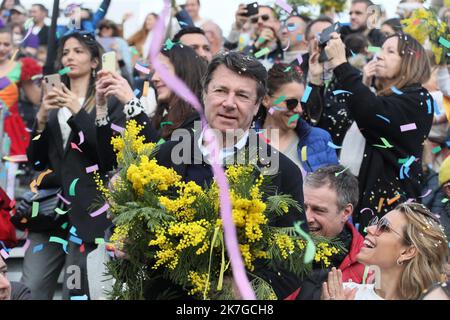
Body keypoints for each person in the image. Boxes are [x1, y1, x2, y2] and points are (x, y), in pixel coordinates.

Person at [139, 51, 308, 299]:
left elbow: (297, 258)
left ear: (258, 103)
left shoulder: (282, 172)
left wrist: (245, 290)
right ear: (204, 94)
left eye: (242, 95)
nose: (229, 103)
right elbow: (140, 237)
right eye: (221, 91)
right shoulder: (163, 158)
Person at [26, 31, 125, 300]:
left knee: (78, 291)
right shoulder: (53, 102)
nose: (70, 56)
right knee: (32, 288)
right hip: (52, 213)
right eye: (66, 51)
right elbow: (36, 160)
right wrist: (43, 118)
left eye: (78, 51)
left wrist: (77, 111)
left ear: (95, 61)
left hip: (91, 213)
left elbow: (109, 156)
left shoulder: (110, 100)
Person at [319, 32, 433, 231]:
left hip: (386, 216)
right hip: (350, 206)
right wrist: (316, 77)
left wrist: (341, 64)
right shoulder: (373, 95)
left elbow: (376, 116)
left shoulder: (419, 100)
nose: (379, 55)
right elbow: (340, 124)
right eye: (380, 50)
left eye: (390, 52)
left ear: (409, 62)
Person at [95, 43, 207, 172]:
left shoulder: (199, 121)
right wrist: (101, 108)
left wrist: (132, 104)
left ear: (186, 73)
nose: (154, 78)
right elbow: (110, 164)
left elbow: (162, 160)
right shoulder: (157, 119)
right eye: (154, 72)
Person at [321, 203, 449, 300]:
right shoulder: (344, 292)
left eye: (384, 227)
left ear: (407, 252)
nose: (369, 229)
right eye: (375, 223)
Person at [254, 63, 338, 174]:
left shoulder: (320, 140)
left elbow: (335, 188)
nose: (299, 109)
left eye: (302, 102)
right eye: (291, 103)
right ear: (265, 100)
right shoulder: (244, 141)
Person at [304, 165, 365, 281]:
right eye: (304, 207)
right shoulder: (276, 243)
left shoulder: (367, 267)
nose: (307, 218)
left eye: (319, 210)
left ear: (346, 212)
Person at [0, 26, 41, 197]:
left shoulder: (20, 67)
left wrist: (48, 85)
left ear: (12, 46)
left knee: (8, 179)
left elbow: (36, 98)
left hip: (9, 130)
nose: (2, 48)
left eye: (6, 44)